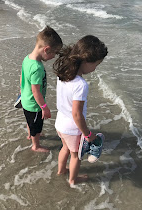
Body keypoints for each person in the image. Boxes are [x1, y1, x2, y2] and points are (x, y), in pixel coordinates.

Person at [53, 35, 108, 185]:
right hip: (72, 128)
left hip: (60, 123)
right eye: (95, 65)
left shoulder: (63, 74)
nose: (95, 69)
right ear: (85, 61)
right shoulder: (81, 85)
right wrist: (88, 134)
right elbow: (77, 114)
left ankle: (61, 170)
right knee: (76, 155)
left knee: (65, 148)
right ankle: (73, 179)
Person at [21, 25, 63, 152]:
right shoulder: (37, 68)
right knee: (36, 125)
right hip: (34, 105)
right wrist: (44, 107)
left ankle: (30, 135)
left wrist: (21, 90)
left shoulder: (27, 58)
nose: (54, 57)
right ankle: (36, 145)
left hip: (25, 99)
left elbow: (22, 76)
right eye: (54, 53)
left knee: (30, 122)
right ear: (47, 49)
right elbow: (36, 91)